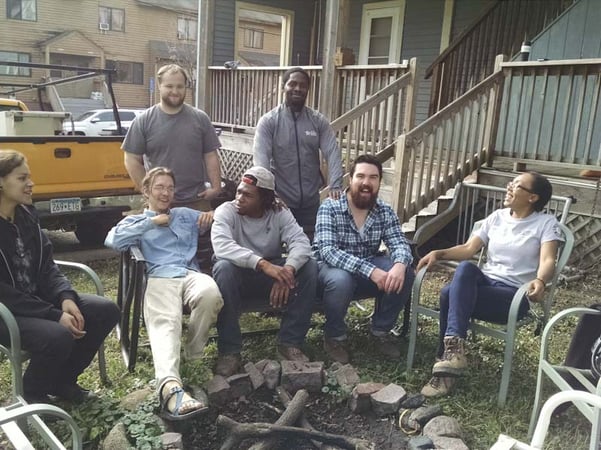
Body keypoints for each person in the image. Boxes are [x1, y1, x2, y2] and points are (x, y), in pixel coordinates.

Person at [417, 171, 564, 398]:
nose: (509, 187)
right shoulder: (497, 217)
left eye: (516, 185)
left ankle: (445, 367)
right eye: (511, 182)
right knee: (465, 268)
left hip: (512, 296)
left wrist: (540, 280)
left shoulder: (546, 223)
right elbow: (468, 250)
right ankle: (453, 354)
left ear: (533, 197)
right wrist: (438, 253)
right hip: (486, 284)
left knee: (448, 294)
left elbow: (548, 259)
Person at [0, 150, 120, 404]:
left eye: (29, 177)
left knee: (105, 310)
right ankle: (30, 395)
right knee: (58, 335)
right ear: (1, 182)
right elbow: (5, 293)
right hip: (5, 312)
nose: (30, 183)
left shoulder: (27, 216)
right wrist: (54, 315)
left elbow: (47, 266)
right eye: (22, 178)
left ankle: (62, 381)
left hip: (36, 302)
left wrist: (65, 297)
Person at [105, 167, 223, 420]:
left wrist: (212, 214)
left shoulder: (182, 214)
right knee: (166, 322)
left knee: (210, 292)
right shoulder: (135, 221)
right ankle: (170, 387)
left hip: (188, 274)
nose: (166, 193)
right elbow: (113, 240)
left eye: (170, 188)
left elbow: (219, 217)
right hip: (159, 277)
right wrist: (151, 223)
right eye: (159, 187)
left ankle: (193, 354)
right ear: (146, 190)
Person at [211, 166, 317, 376]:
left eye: (247, 195)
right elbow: (222, 246)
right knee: (223, 268)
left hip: (270, 275)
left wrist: (287, 270)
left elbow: (301, 242)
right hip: (238, 276)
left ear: (265, 200)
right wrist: (263, 265)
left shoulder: (279, 212)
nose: (239, 198)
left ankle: (290, 342)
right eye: (239, 191)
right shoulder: (227, 210)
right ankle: (229, 351)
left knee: (310, 267)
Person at [313, 154, 415, 364]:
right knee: (341, 280)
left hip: (368, 268)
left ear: (379, 181)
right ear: (350, 179)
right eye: (361, 176)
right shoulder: (330, 207)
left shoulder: (384, 211)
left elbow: (399, 243)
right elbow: (328, 251)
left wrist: (399, 264)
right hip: (331, 271)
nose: (366, 183)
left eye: (373, 177)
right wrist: (370, 270)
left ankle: (381, 330)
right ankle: (334, 336)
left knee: (405, 272)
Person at [253, 67, 344, 237]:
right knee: (279, 250)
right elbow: (261, 162)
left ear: (308, 90)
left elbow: (332, 152)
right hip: (280, 203)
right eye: (292, 84)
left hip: (311, 203)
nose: (297, 89)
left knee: (310, 249)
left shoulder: (318, 121)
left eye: (303, 85)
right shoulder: (269, 122)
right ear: (283, 87)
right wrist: (269, 195)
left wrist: (336, 184)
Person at [122, 63, 222, 210]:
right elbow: (131, 160)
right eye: (169, 86)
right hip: (160, 204)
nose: (175, 91)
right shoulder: (143, 121)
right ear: (159, 86)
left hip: (197, 201)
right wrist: (148, 191)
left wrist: (216, 187)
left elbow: (211, 156)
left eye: (180, 86)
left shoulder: (200, 119)